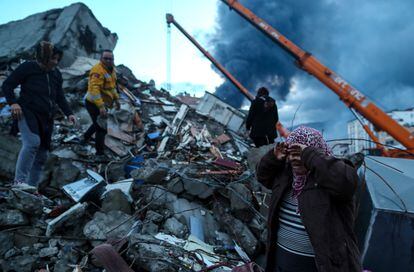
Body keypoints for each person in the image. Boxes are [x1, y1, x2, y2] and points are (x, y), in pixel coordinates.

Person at [256, 126, 362, 272]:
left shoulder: (330, 176)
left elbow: (346, 183)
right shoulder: (286, 176)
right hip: (281, 262)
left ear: (315, 151)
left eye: (299, 153)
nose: (294, 158)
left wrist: (309, 155)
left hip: (319, 266)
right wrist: (273, 157)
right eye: (291, 152)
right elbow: (262, 176)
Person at [2, 41, 76, 190]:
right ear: (43, 57)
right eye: (52, 58)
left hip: (47, 118)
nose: (55, 62)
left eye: (57, 59)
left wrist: (69, 113)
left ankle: (31, 187)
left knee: (42, 155)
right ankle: (19, 182)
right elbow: (7, 85)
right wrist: (13, 103)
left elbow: (60, 96)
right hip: (27, 112)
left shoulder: (56, 73)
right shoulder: (28, 67)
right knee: (32, 143)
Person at [83, 49, 120, 158]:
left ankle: (84, 139)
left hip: (103, 103)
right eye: (106, 58)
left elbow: (112, 88)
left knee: (97, 124)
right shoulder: (97, 71)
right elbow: (95, 89)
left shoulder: (111, 70)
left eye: (111, 59)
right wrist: (101, 106)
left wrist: (117, 100)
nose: (108, 61)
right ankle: (99, 154)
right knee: (101, 128)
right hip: (93, 102)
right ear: (101, 59)